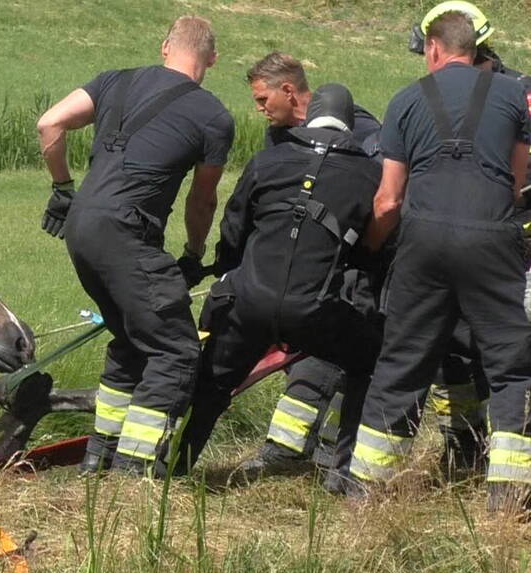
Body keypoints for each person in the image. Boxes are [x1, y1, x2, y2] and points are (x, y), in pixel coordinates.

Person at [343, 10, 531, 513]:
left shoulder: (406, 100)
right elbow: (517, 184)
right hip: (492, 237)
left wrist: (371, 248)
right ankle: (508, 500)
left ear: (432, 48)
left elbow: (387, 201)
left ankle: (367, 493)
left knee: (403, 360)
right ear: (475, 48)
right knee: (511, 365)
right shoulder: (515, 97)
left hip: (423, 242)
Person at [36, 15, 234, 477]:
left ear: (165, 47)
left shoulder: (114, 82)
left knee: (132, 338)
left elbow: (50, 124)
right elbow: (202, 199)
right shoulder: (214, 117)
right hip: (127, 233)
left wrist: (63, 187)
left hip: (81, 228)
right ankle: (133, 473)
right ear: (212, 59)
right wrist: (191, 253)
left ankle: (97, 459)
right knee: (176, 351)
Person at [174, 84, 383, 474]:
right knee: (371, 363)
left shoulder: (267, 161)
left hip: (249, 302)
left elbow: (234, 230)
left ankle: (175, 470)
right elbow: (372, 248)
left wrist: (230, 269)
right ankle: (339, 472)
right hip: (315, 312)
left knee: (212, 388)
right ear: (351, 125)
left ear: (310, 114)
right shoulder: (370, 175)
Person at [236, 53, 383, 479]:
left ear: (289, 90)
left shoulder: (363, 130)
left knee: (337, 354)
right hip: (294, 268)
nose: (260, 110)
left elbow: (378, 196)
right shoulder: (278, 140)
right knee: (317, 352)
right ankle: (293, 449)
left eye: (263, 99)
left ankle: (320, 453)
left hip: (351, 262)